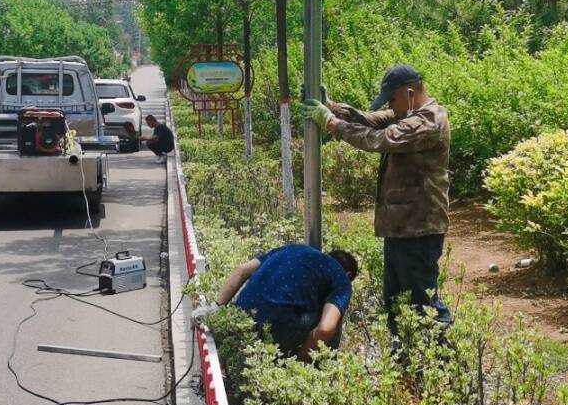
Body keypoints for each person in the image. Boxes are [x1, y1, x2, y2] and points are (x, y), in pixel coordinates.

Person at [303, 65, 452, 341]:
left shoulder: (429, 121)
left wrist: (332, 124)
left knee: (423, 305)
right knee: (396, 304)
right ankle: (406, 363)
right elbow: (369, 120)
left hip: (419, 230)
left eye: (392, 101)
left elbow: (380, 138)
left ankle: (441, 365)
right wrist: (332, 107)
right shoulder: (406, 113)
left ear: (408, 94)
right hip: (399, 229)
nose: (390, 109)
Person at [193, 244, 358, 361]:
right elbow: (325, 329)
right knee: (334, 318)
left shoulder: (293, 248)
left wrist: (215, 309)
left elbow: (241, 270)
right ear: (349, 275)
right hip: (271, 332)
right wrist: (300, 361)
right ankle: (319, 370)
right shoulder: (341, 280)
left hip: (238, 322)